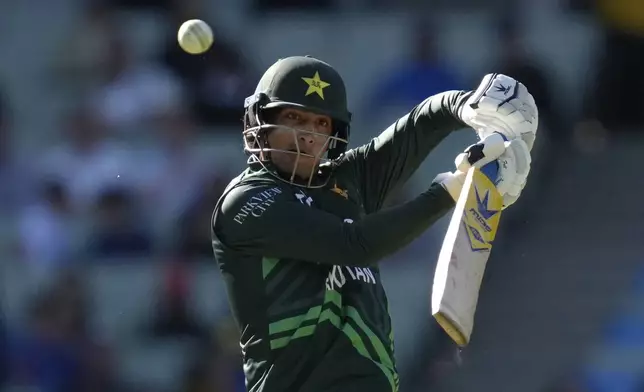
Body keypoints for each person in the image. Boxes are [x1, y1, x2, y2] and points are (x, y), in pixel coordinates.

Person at [211, 56, 537, 392]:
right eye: (293, 117)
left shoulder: (345, 183)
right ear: (260, 122)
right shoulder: (247, 201)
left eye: (321, 123)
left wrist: (467, 104)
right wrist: (450, 190)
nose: (308, 135)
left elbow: (420, 125)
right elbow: (354, 245)